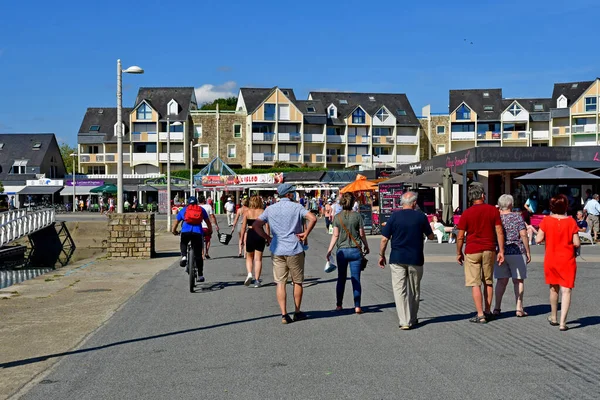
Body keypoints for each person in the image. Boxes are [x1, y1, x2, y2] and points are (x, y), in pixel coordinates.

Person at [252, 183, 317, 324]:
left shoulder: (270, 209)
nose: (294, 194)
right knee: (297, 281)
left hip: (277, 248)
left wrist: (267, 237)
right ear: (288, 194)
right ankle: (297, 311)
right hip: (294, 248)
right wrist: (305, 233)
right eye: (292, 192)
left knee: (280, 282)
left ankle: (284, 314)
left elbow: (256, 225)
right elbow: (313, 218)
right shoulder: (297, 207)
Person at [378, 192, 434, 330]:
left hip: (397, 258)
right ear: (414, 203)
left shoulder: (394, 217)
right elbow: (431, 236)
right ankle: (413, 318)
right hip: (415, 258)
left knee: (399, 290)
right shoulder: (421, 217)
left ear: (402, 202)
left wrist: (381, 255)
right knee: (414, 290)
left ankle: (404, 320)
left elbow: (384, 238)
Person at [456, 183, 505, 324]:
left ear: (471, 198)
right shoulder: (493, 211)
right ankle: (488, 311)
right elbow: (499, 231)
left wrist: (459, 252)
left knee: (475, 283)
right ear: (483, 196)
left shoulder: (467, 213)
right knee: (488, 281)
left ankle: (480, 314)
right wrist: (501, 250)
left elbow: (460, 236)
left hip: (472, 249)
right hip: (489, 248)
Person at [536, 194, 580, 331]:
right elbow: (577, 242)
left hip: (551, 258)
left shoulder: (546, 221)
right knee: (566, 290)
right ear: (566, 206)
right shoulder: (571, 222)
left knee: (553, 288)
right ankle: (563, 323)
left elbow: (538, 239)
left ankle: (554, 316)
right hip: (567, 259)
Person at [325, 193, 370, 314]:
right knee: (356, 279)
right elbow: (361, 234)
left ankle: (339, 305)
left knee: (341, 278)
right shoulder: (357, 216)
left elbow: (335, 235)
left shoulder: (337, 217)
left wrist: (329, 250)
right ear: (352, 202)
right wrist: (366, 245)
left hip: (342, 251)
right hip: (355, 250)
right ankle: (357, 306)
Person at [492, 194, 531, 318]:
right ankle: (519, 308)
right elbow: (523, 234)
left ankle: (497, 307)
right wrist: (527, 251)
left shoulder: (496, 217)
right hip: (517, 251)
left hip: (500, 252)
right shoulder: (517, 217)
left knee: (501, 280)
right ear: (510, 204)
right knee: (518, 280)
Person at [171, 196, 212, 282]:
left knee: (183, 242)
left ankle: (184, 256)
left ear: (188, 203)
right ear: (196, 203)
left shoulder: (184, 210)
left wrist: (174, 231)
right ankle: (200, 275)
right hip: (197, 232)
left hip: (186, 231)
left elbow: (176, 222)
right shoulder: (201, 210)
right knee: (198, 255)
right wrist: (210, 231)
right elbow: (208, 222)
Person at [242, 196, 269, 287]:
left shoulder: (247, 212)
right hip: (260, 233)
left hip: (250, 233)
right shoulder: (262, 212)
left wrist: (242, 238)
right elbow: (267, 226)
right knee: (258, 259)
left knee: (249, 257)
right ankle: (257, 280)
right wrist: (267, 237)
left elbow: (243, 227)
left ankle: (249, 273)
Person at [199, 195, 219, 259]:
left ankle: (202, 254)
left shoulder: (197, 207)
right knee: (208, 240)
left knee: (200, 241)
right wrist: (216, 225)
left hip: (199, 226)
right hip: (207, 226)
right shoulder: (208, 206)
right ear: (204, 200)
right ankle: (206, 253)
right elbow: (212, 216)